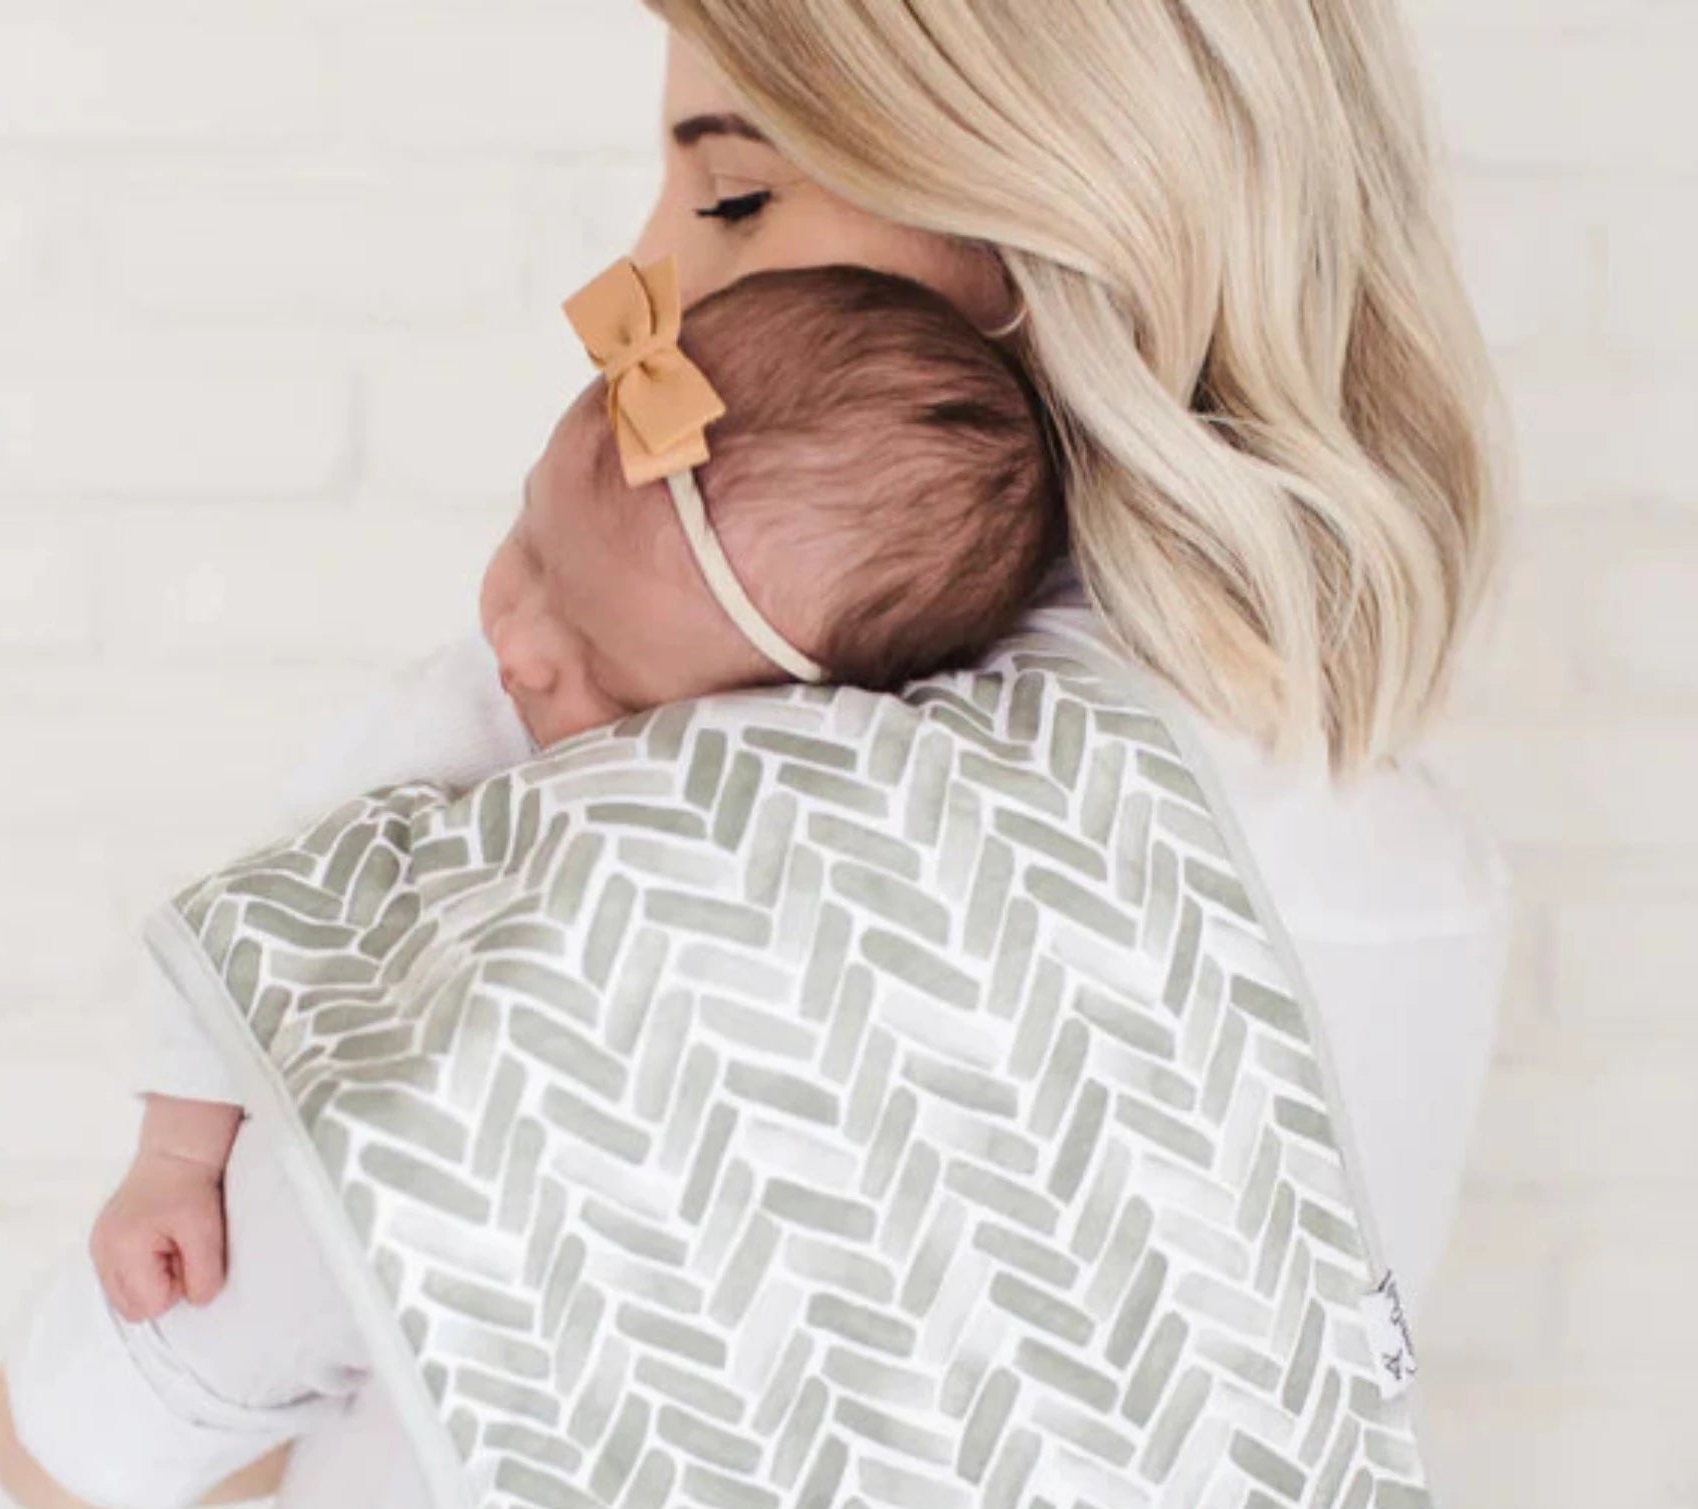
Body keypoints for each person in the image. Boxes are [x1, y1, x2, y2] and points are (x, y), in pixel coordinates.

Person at [0, 10, 1510, 1509]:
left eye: (728, 195)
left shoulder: (648, 874)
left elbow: (77, 1433)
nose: (638, 276)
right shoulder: (1393, 847)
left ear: (1050, 216)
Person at [87, 259, 1062, 1334]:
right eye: (527, 547)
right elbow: (264, 910)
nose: (517, 644)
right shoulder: (456, 722)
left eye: (604, 672)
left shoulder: (793, 810)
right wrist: (177, 1157)